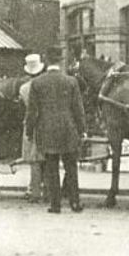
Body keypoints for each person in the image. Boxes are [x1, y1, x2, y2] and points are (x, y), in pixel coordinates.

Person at [26, 46, 86, 214]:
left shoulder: (37, 83)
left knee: (51, 169)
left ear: (45, 60)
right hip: (68, 130)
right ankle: (75, 203)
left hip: (47, 130)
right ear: (60, 60)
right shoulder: (71, 81)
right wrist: (82, 130)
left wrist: (29, 132)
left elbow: (32, 112)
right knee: (71, 168)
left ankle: (55, 205)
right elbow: (78, 109)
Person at [19, 53, 46, 203]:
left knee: (34, 160)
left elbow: (27, 109)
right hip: (46, 124)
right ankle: (48, 190)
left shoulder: (23, 88)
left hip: (31, 125)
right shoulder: (45, 84)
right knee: (48, 157)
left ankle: (35, 191)